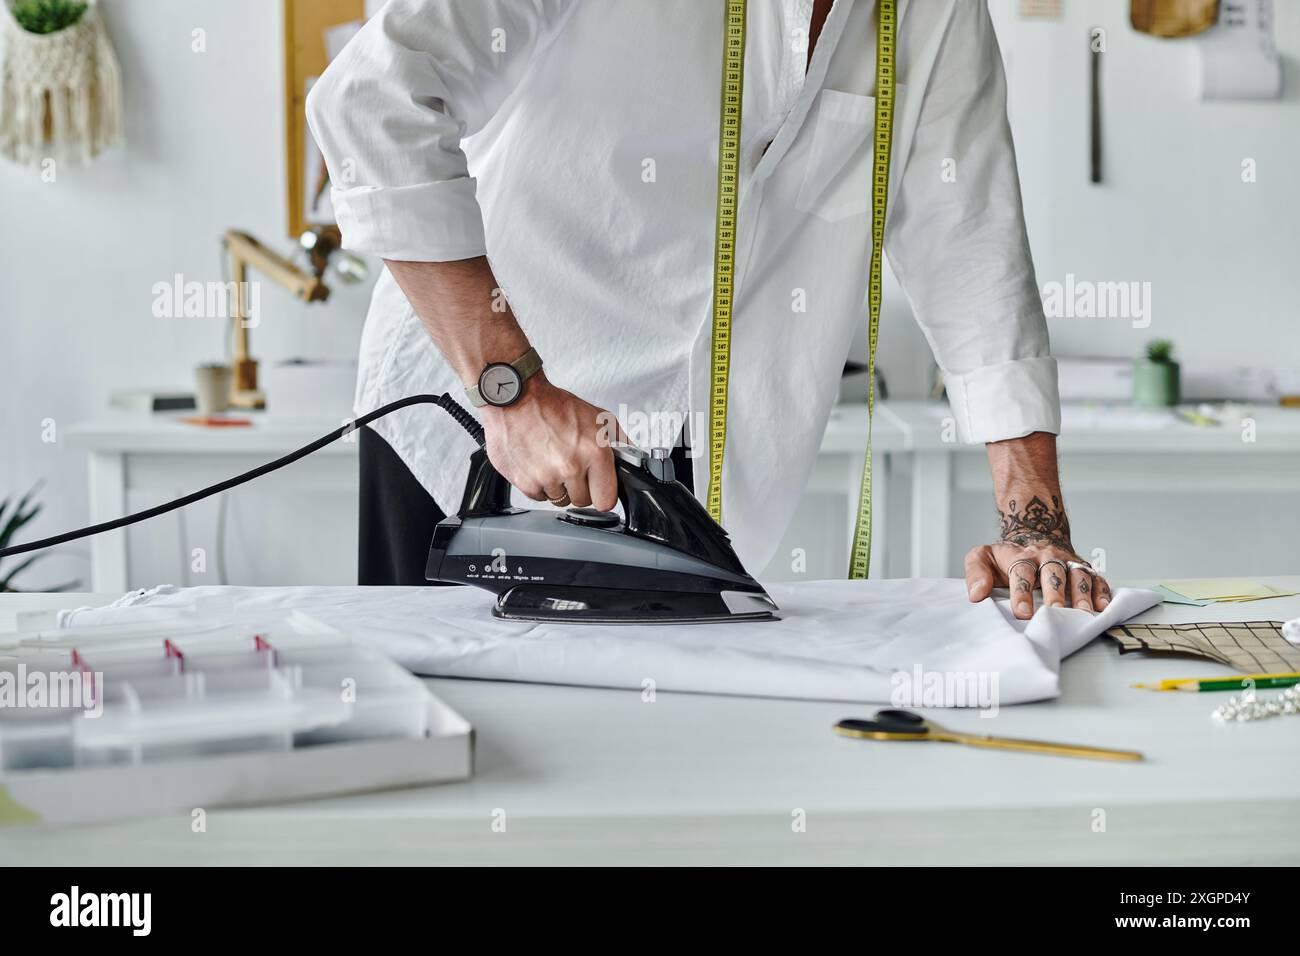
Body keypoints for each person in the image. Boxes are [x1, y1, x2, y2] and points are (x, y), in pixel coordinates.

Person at [306, 0, 1112, 618]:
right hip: (475, 421)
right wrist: (509, 385)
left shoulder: (935, 15)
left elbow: (968, 240)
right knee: (456, 776)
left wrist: (1032, 526)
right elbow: (373, 105)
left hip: (704, 465)